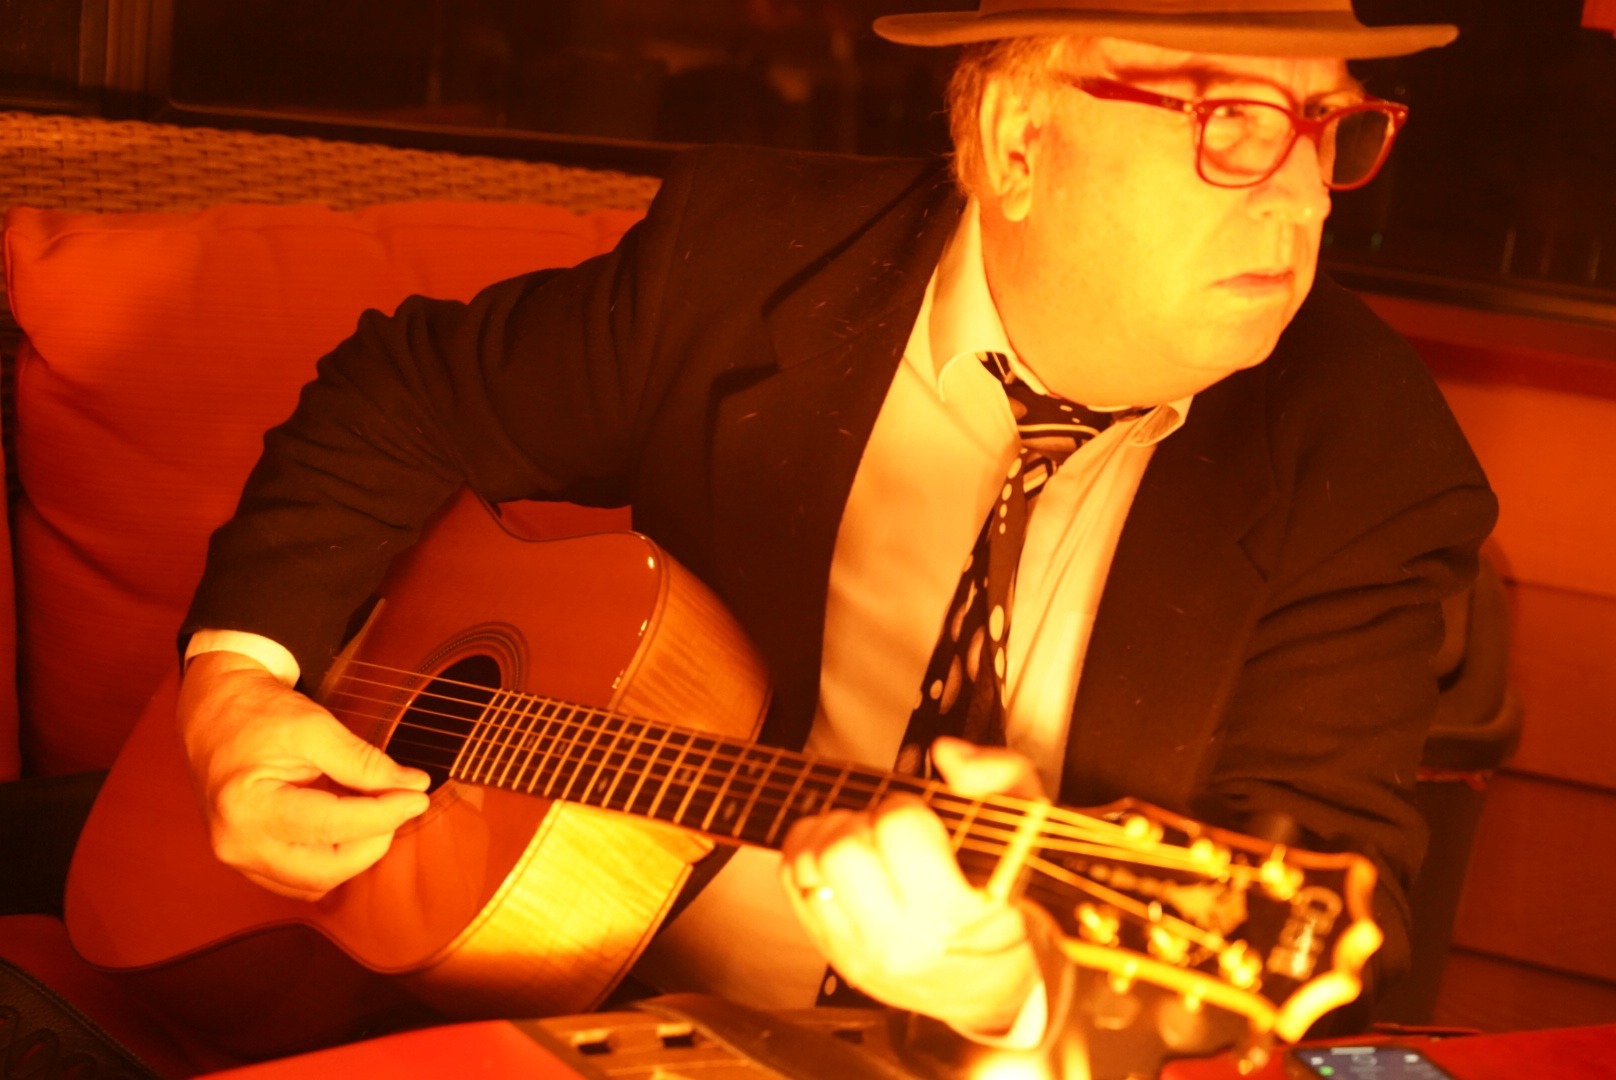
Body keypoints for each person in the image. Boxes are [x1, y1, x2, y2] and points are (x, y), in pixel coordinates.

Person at [175, 1, 1497, 1074]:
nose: (1307, 200)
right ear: (1017, 138)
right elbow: (405, 395)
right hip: (571, 997)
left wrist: (1019, 985)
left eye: (1329, 128)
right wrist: (237, 683)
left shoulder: (1369, 459)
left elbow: (1330, 899)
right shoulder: (746, 262)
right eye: (1231, 122)